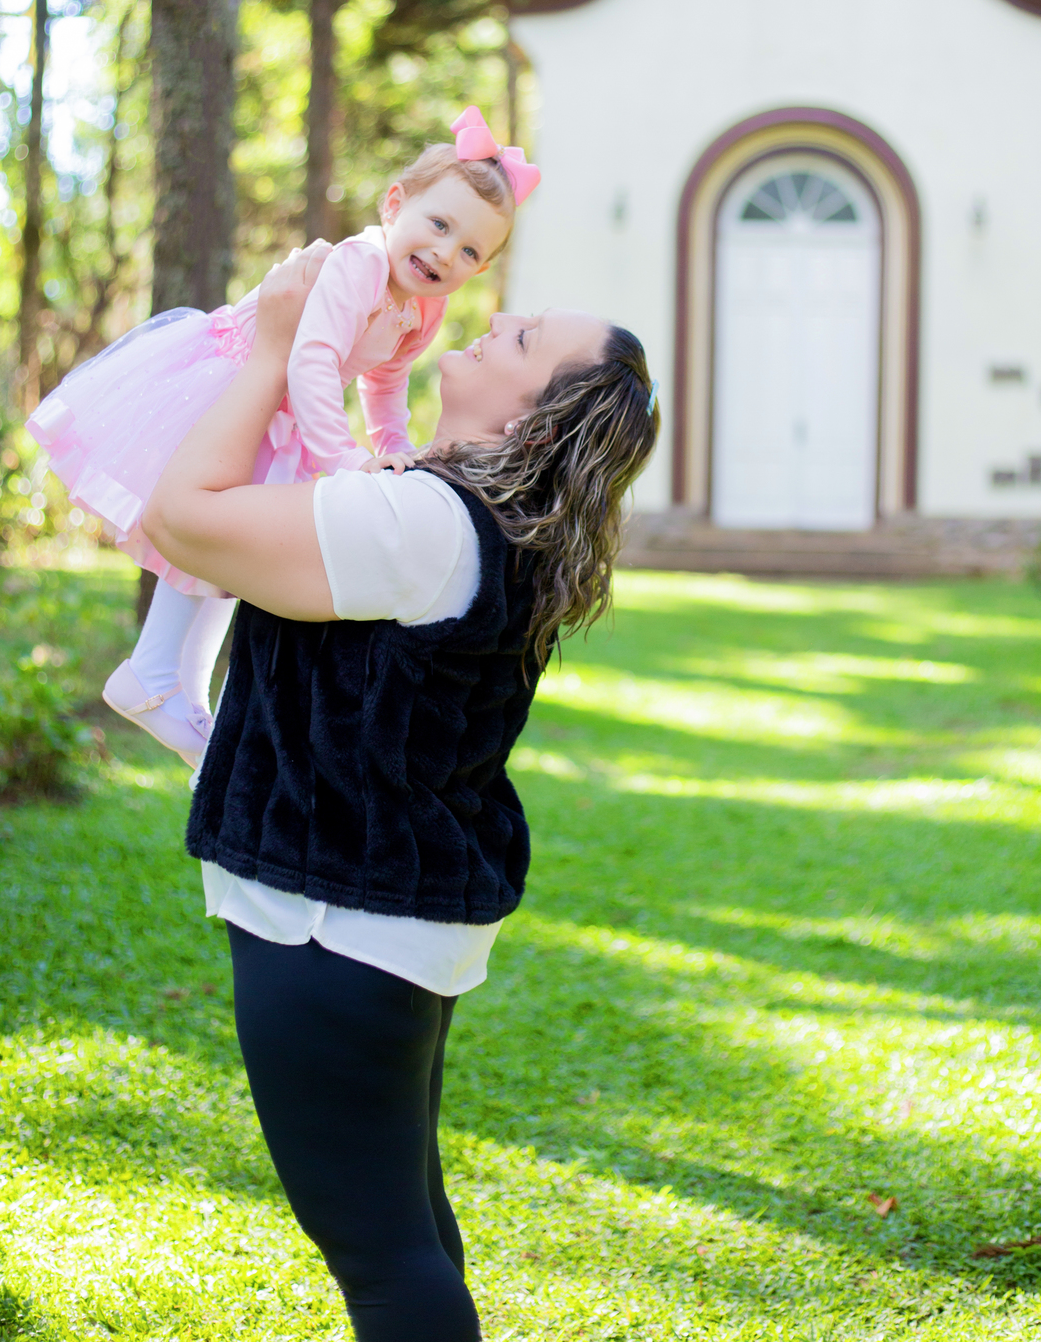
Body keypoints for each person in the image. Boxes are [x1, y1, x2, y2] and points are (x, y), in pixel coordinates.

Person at [140, 245, 659, 1342]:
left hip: (335, 921)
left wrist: (274, 350)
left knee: (384, 1260)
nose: (497, 319)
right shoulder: (470, 520)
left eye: (523, 338)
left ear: (534, 423)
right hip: (383, 916)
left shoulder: (425, 523)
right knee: (405, 1234)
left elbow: (183, 518)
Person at [26, 108, 539, 763]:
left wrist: (392, 450)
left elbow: (385, 383)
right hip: (238, 389)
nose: (445, 252)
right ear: (394, 205)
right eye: (439, 225)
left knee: (233, 555)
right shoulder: (360, 264)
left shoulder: (422, 307)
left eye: (469, 250)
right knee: (207, 534)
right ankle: (151, 672)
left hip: (282, 411)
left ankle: (184, 692)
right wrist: (341, 456)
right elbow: (313, 359)